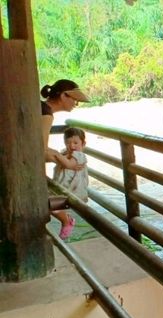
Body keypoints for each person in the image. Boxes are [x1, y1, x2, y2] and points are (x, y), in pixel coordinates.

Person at [40, 79, 90, 238]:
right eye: (74, 99)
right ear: (63, 96)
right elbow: (40, 149)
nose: (75, 103)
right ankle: (66, 220)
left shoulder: (42, 108)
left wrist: (60, 157)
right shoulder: (46, 113)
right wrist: (66, 161)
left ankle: (65, 220)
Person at [52, 128, 89, 239]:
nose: (72, 146)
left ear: (83, 144)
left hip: (73, 193)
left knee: (51, 206)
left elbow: (69, 164)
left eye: (76, 143)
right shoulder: (64, 153)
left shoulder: (80, 156)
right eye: (68, 143)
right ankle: (66, 220)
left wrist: (55, 154)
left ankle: (67, 221)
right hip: (62, 190)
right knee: (47, 204)